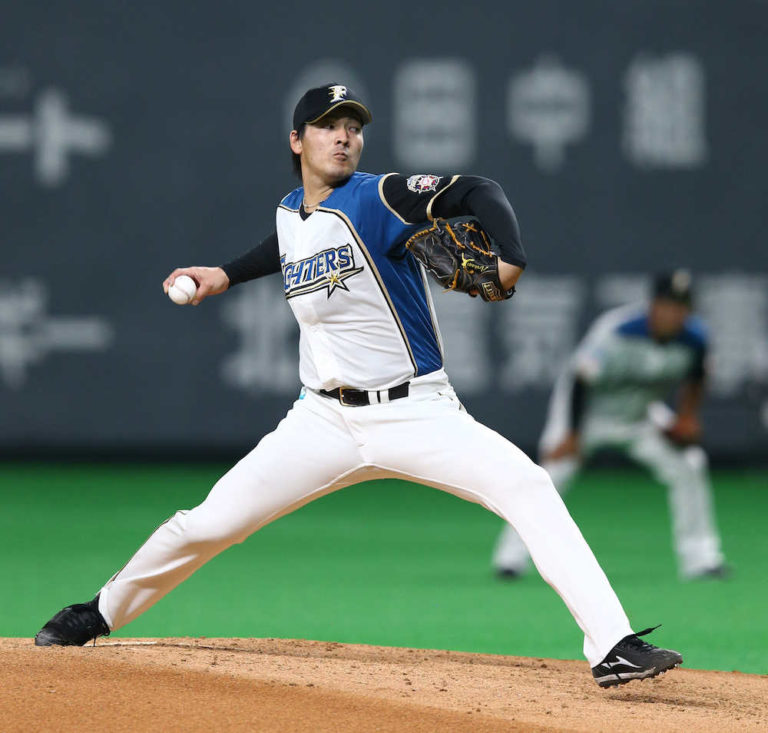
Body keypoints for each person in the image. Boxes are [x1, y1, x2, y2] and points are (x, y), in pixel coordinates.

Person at [35, 83, 682, 688]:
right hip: (321, 422)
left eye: (353, 127)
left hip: (416, 411)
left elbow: (479, 190)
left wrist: (510, 257)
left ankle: (612, 645)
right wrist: (225, 275)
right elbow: (288, 243)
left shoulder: (382, 198)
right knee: (209, 522)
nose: (343, 136)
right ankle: (101, 610)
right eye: (327, 126)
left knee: (528, 485)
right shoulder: (291, 212)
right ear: (297, 140)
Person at [492, 270, 728, 581]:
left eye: (681, 306)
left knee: (690, 465)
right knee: (549, 475)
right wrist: (571, 434)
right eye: (668, 305)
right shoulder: (617, 330)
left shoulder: (695, 339)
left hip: (640, 416)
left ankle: (701, 559)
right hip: (587, 414)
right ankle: (510, 558)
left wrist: (687, 417)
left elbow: (697, 378)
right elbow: (580, 380)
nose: (674, 313)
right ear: (653, 305)